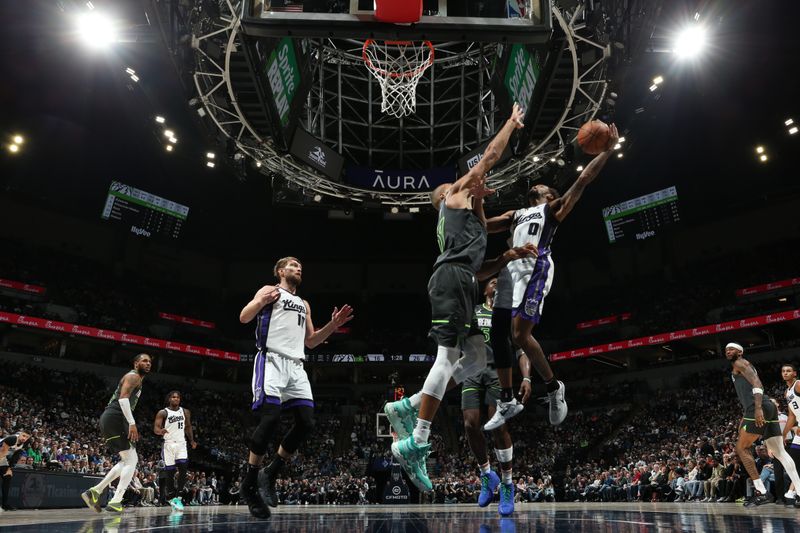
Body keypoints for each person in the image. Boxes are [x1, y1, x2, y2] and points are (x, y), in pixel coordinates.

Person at [382, 104, 526, 493]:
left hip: (460, 279)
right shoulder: (454, 197)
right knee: (447, 358)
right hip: (449, 280)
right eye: (459, 185)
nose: (466, 183)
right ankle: (418, 439)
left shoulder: (466, 225)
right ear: (449, 195)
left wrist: (507, 256)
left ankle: (408, 407)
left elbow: (480, 268)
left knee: (476, 358)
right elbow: (491, 156)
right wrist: (510, 124)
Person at [482, 124, 619, 431]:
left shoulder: (553, 209)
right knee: (503, 333)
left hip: (536, 267)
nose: (538, 186)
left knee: (519, 335)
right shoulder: (516, 214)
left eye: (543, 186)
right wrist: (474, 198)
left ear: (550, 195)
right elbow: (483, 226)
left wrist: (608, 150)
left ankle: (555, 388)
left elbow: (584, 179)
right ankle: (511, 398)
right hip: (511, 270)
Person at [239, 256, 354, 518]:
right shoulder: (270, 290)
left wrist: (333, 326)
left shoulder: (304, 304)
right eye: (292, 265)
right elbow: (244, 317)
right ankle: (249, 483)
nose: (298, 268)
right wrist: (260, 302)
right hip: (271, 360)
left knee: (307, 422)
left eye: (300, 265)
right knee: (271, 417)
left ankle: (270, 472)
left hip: (296, 365)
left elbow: (312, 341)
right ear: (280, 271)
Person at [461, 277, 532, 516]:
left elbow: (523, 349)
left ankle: (507, 484)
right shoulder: (474, 310)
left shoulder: (510, 315)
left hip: (497, 374)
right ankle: (486, 475)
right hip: (473, 371)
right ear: (485, 290)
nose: (497, 283)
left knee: (498, 427)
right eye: (493, 281)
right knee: (470, 423)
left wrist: (527, 377)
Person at [725, 343, 800, 506]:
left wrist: (758, 408)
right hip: (765, 407)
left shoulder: (741, 363)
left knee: (741, 448)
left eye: (731, 349)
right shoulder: (741, 365)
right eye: (726, 350)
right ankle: (799, 492)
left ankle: (762, 492)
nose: (728, 351)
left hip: (758, 407)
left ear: (740, 352)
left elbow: (757, 384)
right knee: (780, 452)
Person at [82, 353, 152, 514]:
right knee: (132, 459)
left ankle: (95, 491)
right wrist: (132, 423)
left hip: (113, 418)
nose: (148, 364)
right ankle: (115, 501)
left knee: (128, 459)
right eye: (144, 361)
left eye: (150, 362)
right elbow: (123, 399)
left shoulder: (138, 378)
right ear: (136, 363)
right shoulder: (133, 376)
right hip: (116, 417)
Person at [154, 390, 197, 511]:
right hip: (168, 444)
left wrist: (192, 440)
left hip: (181, 443)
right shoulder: (163, 412)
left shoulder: (185, 411)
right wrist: (160, 431)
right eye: (173, 397)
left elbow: (188, 427)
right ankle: (171, 496)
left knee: (183, 467)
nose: (176, 399)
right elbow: (156, 428)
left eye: (178, 397)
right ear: (169, 399)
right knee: (170, 472)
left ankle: (179, 496)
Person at [780, 363, 800, 505]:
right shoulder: (787, 392)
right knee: (794, 462)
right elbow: (791, 416)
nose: (785, 373)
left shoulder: (798, 384)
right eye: (783, 371)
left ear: (795, 373)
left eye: (788, 371)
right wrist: (783, 435)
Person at [0, 431, 31, 511]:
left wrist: (9, 468)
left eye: (27, 437)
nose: (24, 438)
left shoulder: (24, 444)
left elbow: (15, 457)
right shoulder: (12, 439)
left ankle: (4, 504)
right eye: (23, 435)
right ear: (19, 434)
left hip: (3, 459)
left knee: (8, 477)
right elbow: (2, 452)